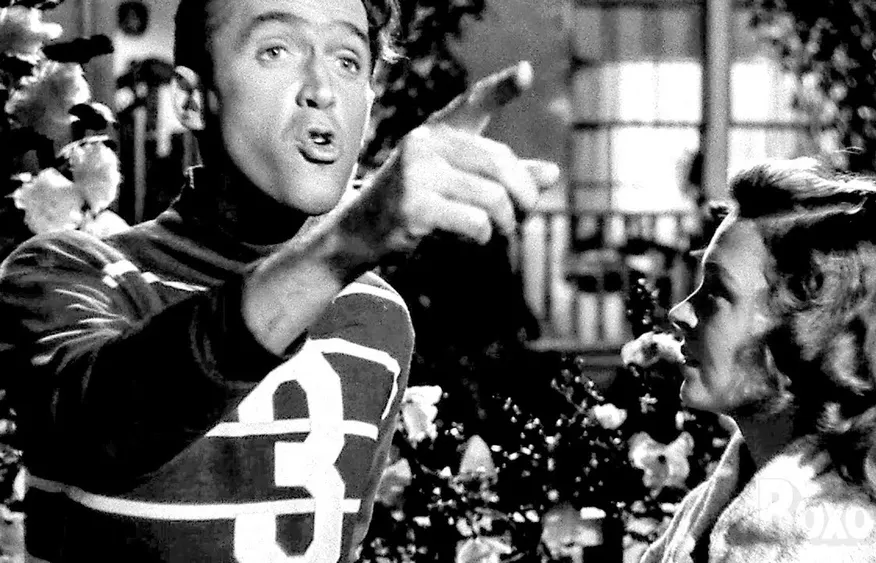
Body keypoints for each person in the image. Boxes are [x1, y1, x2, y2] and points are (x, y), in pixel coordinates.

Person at [0, 0, 559, 561]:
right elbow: (94, 431)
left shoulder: (377, 315)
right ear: (192, 99)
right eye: (276, 50)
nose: (322, 89)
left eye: (347, 60)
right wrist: (343, 246)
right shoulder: (66, 269)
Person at [628, 159, 876, 563]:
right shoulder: (720, 501)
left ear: (809, 338)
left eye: (717, 291)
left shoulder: (862, 546)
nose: (680, 312)